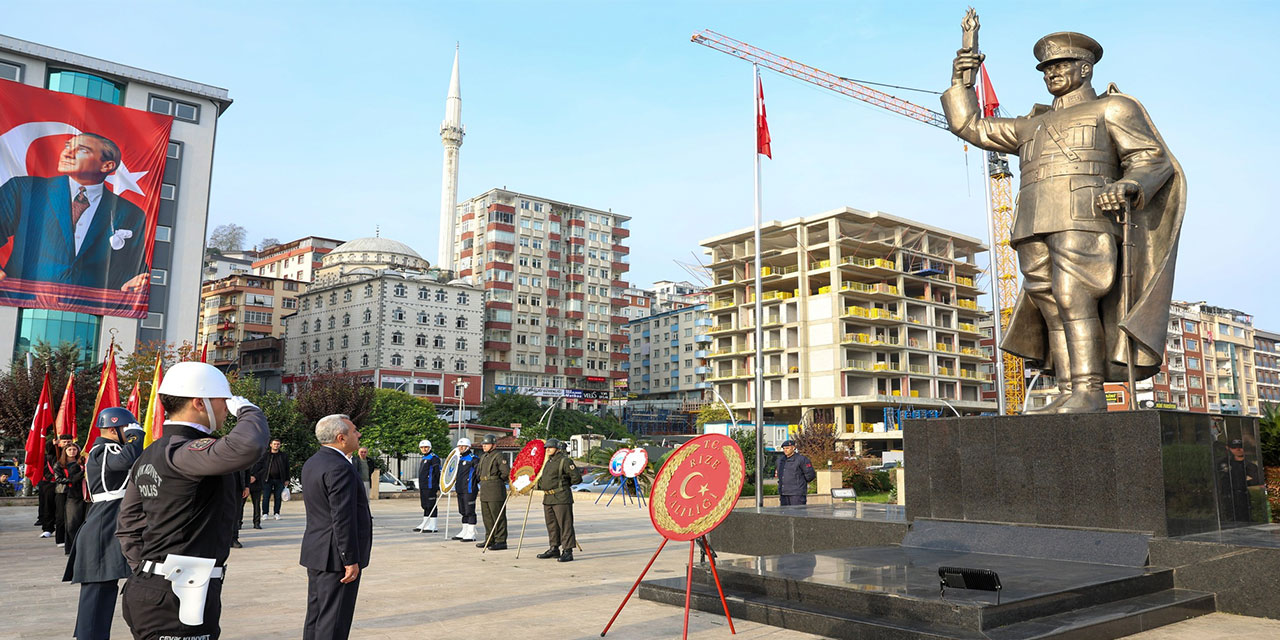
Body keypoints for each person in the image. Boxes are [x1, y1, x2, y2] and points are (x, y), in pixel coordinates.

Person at [944, 32, 1182, 413]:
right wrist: (962, 81)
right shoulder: (1030, 125)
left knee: (1074, 297)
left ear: (1085, 69)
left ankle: (1089, 390)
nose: (1051, 73)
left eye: (1061, 65)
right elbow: (971, 126)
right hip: (1031, 223)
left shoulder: (1112, 108)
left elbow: (1151, 158)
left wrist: (1129, 185)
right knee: (1050, 305)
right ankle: (1069, 390)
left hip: (1084, 215)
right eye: (1046, 68)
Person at [116, 362, 269, 640]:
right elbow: (247, 446)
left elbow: (129, 523)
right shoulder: (184, 451)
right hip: (178, 595)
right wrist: (249, 411)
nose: (227, 409)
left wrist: (149, 571)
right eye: (223, 401)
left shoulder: (152, 452)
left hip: (160, 590)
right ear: (200, 403)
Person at [0, 133, 150, 291]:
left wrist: (133, 282)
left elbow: (130, 266)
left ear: (107, 166)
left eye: (82, 150)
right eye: (67, 146)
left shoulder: (130, 212)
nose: (67, 153)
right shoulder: (24, 189)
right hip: (22, 298)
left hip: (88, 303)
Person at [64, 407, 144, 640]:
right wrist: (137, 437)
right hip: (102, 526)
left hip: (109, 522)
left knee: (104, 591)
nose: (129, 432)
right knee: (97, 593)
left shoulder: (108, 449)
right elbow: (124, 461)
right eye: (126, 428)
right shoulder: (105, 449)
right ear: (113, 429)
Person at [300, 415, 372, 640]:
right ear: (341, 438)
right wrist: (349, 559)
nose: (358, 434)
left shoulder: (314, 461)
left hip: (318, 551)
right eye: (354, 431)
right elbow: (342, 517)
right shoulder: (340, 467)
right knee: (334, 621)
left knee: (317, 615)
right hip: (336, 556)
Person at [536, 439, 579, 563]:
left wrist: (564, 485)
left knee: (565, 525)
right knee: (552, 525)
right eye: (546, 447)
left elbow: (576, 478)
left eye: (550, 447)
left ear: (558, 448)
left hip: (561, 497)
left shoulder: (565, 461)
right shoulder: (548, 462)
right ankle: (554, 548)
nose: (547, 449)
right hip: (548, 498)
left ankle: (568, 551)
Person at [476, 435, 510, 550]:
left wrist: (496, 481)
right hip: (485, 488)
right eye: (483, 444)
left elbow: (505, 473)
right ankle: (490, 539)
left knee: (497, 516)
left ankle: (500, 541)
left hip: (495, 489)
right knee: (487, 517)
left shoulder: (499, 456)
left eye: (487, 444)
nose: (484, 446)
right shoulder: (484, 456)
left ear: (494, 445)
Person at [1218, 439, 1264, 523]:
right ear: (1229, 448)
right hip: (1228, 497)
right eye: (1234, 447)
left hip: (1244, 496)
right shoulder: (1224, 463)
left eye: (1240, 447)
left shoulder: (1250, 465)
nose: (1238, 449)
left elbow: (1255, 481)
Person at [54, 440, 87, 553]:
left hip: (80, 494)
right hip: (64, 492)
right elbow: (59, 479)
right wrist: (72, 480)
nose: (72, 451)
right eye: (69, 449)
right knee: (66, 519)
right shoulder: (60, 464)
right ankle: (66, 543)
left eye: (74, 449)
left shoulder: (81, 463)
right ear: (65, 451)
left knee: (80, 520)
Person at [452, 438, 479, 542]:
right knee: (462, 511)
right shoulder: (459, 459)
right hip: (460, 489)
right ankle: (464, 531)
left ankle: (471, 533)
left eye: (463, 446)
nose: (461, 448)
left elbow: (478, 474)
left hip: (469, 489)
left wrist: (473, 483)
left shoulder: (474, 459)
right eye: (459, 446)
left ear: (468, 447)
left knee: (470, 511)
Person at [775, 440, 817, 506]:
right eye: (784, 448)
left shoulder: (801, 459)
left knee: (797, 511)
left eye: (787, 448)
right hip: (784, 493)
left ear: (793, 448)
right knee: (784, 512)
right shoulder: (781, 460)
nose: (785, 450)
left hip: (797, 494)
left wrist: (800, 483)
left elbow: (810, 475)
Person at [413, 440, 441, 533]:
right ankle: (425, 523)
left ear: (430, 448)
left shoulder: (434, 458)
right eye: (422, 447)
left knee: (431, 505)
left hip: (430, 486)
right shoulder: (424, 457)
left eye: (426, 447)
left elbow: (437, 472)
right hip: (423, 485)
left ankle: (433, 525)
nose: (424, 449)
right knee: (425, 505)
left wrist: (437, 485)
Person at [262, 438, 290, 520]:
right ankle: (265, 513)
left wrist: (287, 479)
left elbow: (287, 468)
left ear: (280, 445)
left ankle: (276, 513)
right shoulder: (265, 455)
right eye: (274, 444)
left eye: (278, 444)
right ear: (271, 445)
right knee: (266, 497)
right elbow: (261, 467)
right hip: (267, 479)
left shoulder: (283, 455)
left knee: (278, 497)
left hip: (280, 479)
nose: (276, 445)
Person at [37, 435, 58, 538]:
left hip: (63, 485)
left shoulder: (68, 455)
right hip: (49, 484)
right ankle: (48, 528)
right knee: (48, 507)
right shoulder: (47, 458)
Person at [242, 451, 266, 531]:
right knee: (241, 505)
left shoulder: (261, 456)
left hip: (257, 483)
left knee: (256, 504)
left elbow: (264, 468)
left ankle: (257, 523)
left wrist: (255, 477)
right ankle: (238, 522)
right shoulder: (244, 456)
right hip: (245, 484)